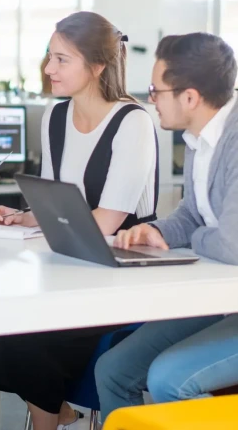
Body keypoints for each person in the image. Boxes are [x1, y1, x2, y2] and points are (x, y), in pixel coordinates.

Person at [0, 11, 160, 430]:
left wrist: (40, 223)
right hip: (68, 268)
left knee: (27, 343)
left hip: (120, 275)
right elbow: (59, 207)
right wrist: (22, 216)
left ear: (97, 66)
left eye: (62, 59)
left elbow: (105, 222)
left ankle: (49, 419)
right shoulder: (55, 117)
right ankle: (55, 410)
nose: (48, 69)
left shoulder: (132, 122)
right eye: (49, 57)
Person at [95, 32, 238, 423]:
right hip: (223, 298)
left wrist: (194, 238)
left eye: (156, 90)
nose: (150, 99)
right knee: (113, 371)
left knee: (169, 379)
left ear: (189, 97)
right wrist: (157, 232)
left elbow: (232, 243)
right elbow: (195, 215)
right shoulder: (198, 139)